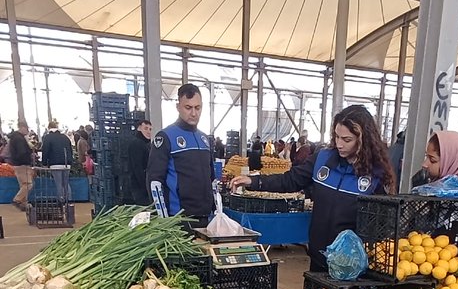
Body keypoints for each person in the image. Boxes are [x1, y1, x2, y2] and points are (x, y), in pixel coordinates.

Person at [231, 104, 395, 272]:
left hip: (351, 264)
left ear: (363, 141)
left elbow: (381, 225)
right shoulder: (322, 159)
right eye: (337, 137)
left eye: (347, 140)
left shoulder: (376, 175)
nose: (339, 144)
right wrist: (254, 181)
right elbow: (290, 180)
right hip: (318, 255)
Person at [146, 83, 214, 226]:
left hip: (205, 217)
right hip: (179, 219)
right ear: (178, 107)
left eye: (198, 107)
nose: (194, 113)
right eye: (188, 107)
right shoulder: (165, 137)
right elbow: (154, 181)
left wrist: (215, 210)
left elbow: (211, 178)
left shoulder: (204, 139)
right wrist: (163, 220)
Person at [42, 120, 73, 203]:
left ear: (49, 128)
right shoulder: (65, 137)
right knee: (66, 183)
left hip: (55, 163)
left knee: (58, 183)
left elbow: (45, 150)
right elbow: (70, 150)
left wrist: (44, 163)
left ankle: (61, 200)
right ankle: (69, 200)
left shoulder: (48, 137)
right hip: (67, 163)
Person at [8, 120, 34, 210]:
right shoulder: (19, 139)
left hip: (17, 164)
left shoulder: (14, 137)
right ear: (22, 127)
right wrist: (29, 156)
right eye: (27, 129)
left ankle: (23, 204)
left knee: (23, 185)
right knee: (28, 184)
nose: (28, 131)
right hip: (22, 164)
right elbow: (21, 152)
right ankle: (17, 199)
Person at [128, 119, 152, 204]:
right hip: (139, 188)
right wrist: (145, 186)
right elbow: (137, 167)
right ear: (138, 128)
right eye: (145, 128)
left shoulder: (145, 144)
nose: (148, 132)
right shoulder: (137, 144)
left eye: (150, 129)